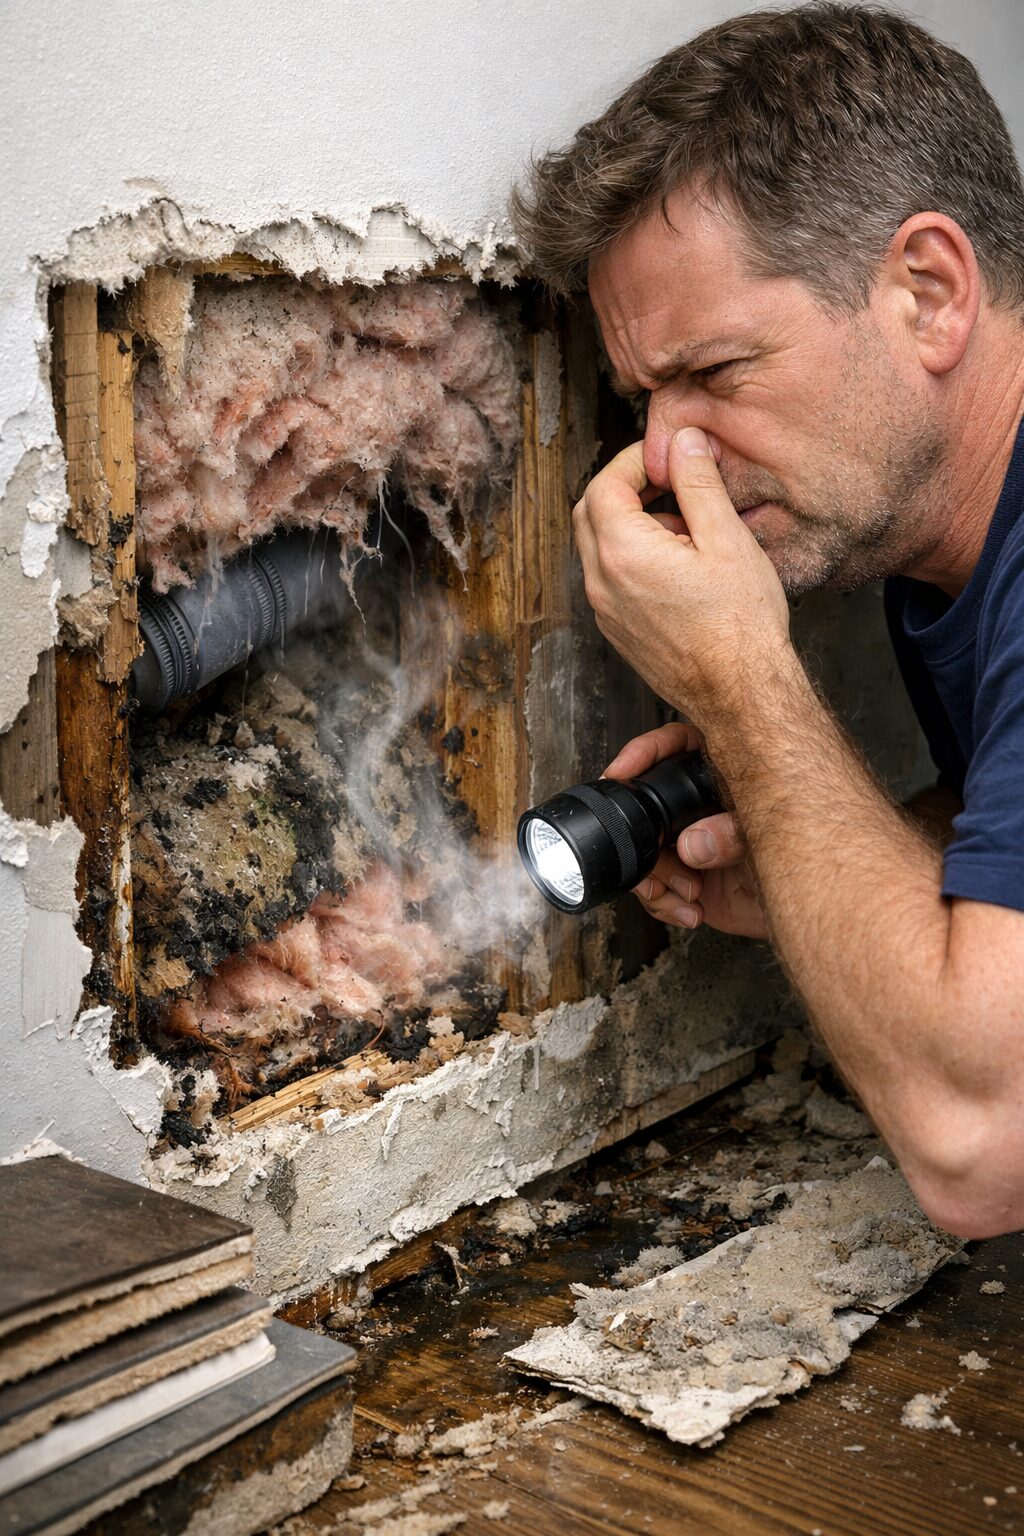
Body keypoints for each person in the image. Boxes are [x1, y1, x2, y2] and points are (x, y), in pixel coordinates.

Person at [511, 3, 1024, 1239]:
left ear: (927, 292)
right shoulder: (933, 545)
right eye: (645, 396)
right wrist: (829, 860)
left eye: (719, 372)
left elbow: (983, 1145)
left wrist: (743, 683)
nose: (667, 449)